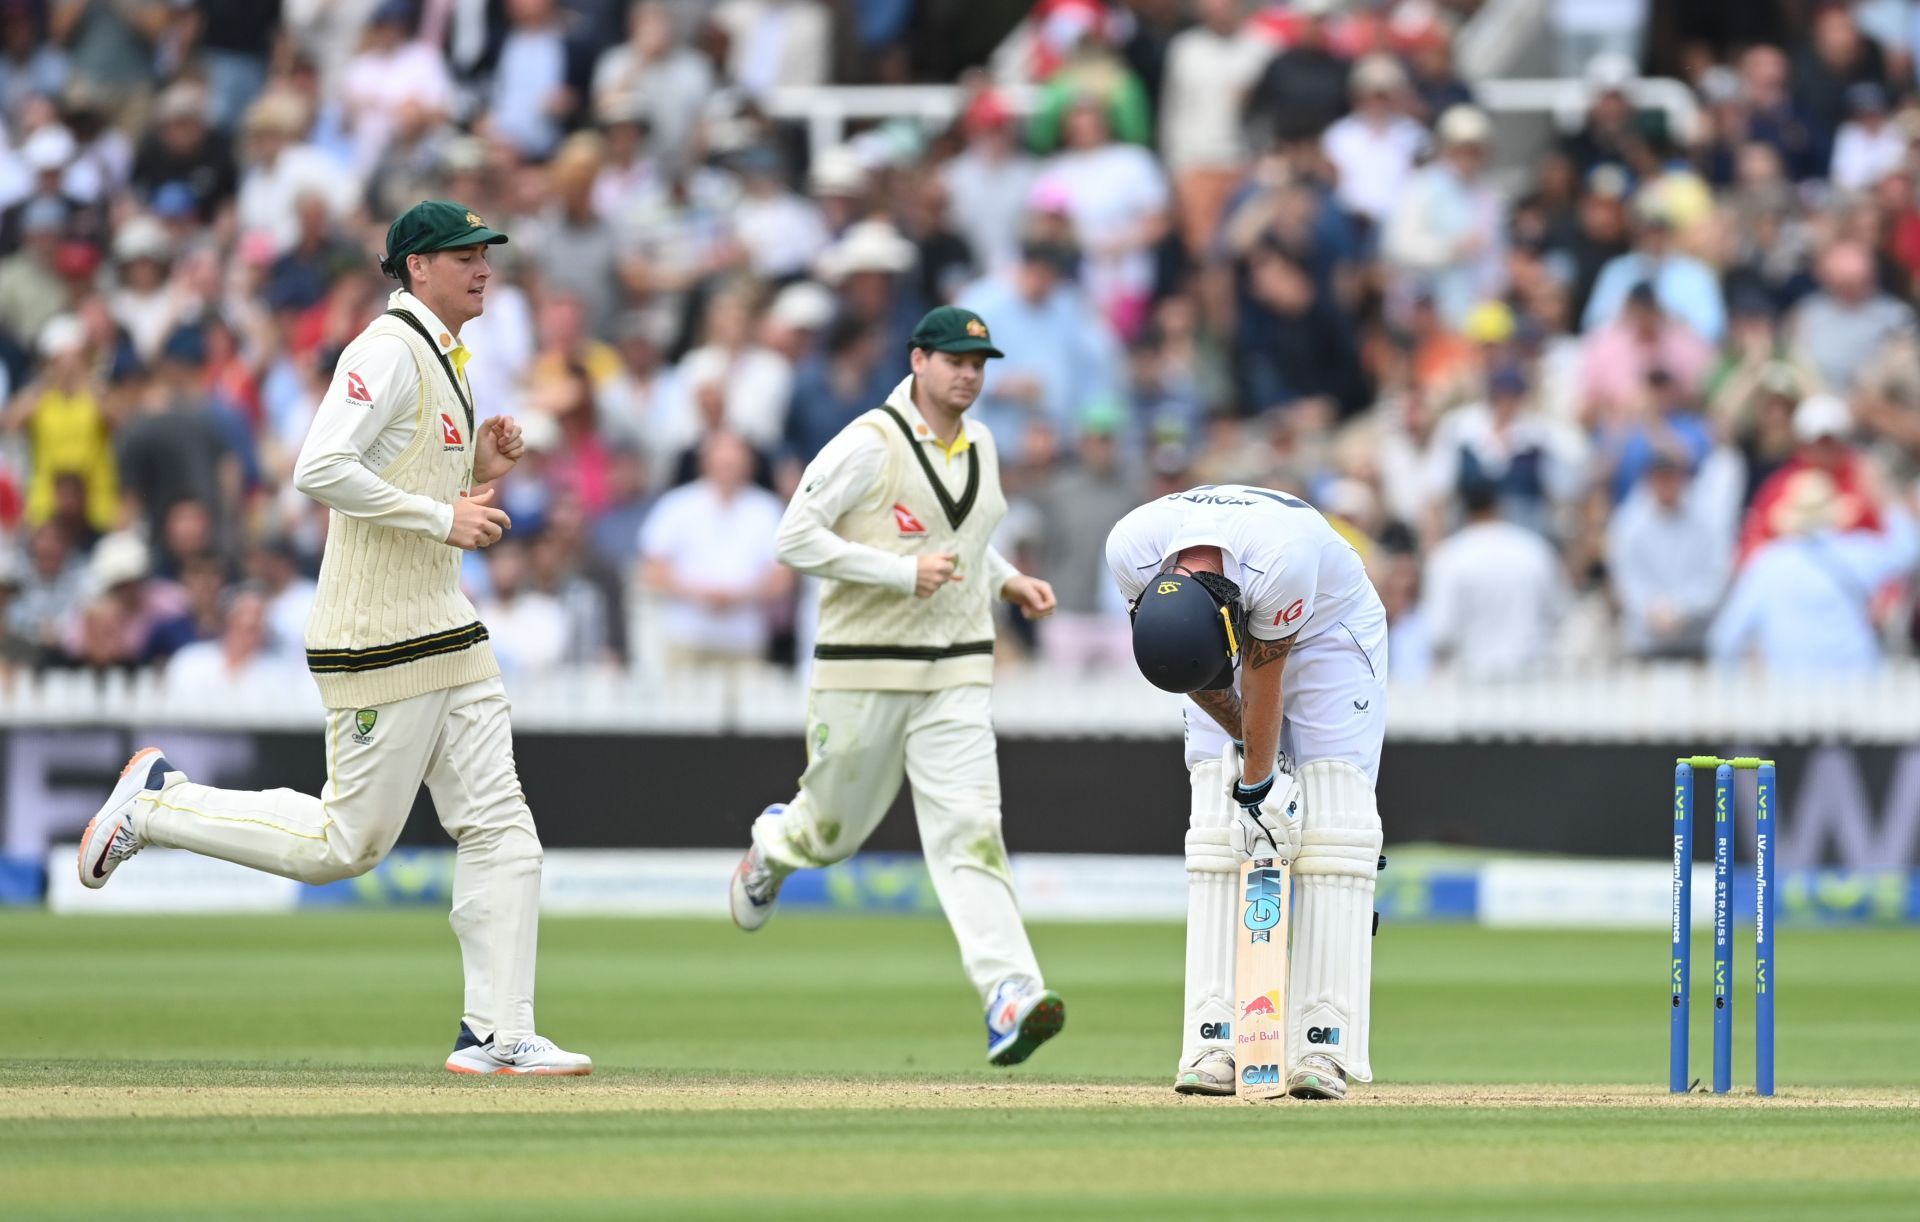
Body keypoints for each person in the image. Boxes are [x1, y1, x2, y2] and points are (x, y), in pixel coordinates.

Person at [73, 200, 590, 1077]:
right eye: (463, 254)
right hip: (377, 633)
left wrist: (478, 470)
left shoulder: (446, 357)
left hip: (447, 626)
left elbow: (400, 469)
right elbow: (319, 467)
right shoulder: (386, 349)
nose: (482, 267)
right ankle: (156, 803)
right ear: (415, 268)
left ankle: (498, 1034)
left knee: (505, 827)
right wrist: (443, 512)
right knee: (344, 846)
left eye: (485, 253)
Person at [727, 306, 1067, 1068]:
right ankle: (774, 845)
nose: (968, 375)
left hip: (957, 670)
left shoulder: (981, 443)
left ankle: (1009, 994)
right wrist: (898, 573)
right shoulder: (867, 444)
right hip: (864, 665)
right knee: (830, 835)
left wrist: (1008, 583)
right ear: (917, 360)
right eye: (953, 361)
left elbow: (966, 546)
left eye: (979, 365)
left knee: (971, 832)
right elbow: (794, 537)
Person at [1105, 482, 1388, 1100]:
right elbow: (1188, 672)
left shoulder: (1278, 563)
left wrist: (1264, 786)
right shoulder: (1129, 548)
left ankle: (1323, 1047)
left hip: (1331, 631)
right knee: (1215, 811)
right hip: (1236, 628)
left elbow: (1263, 674)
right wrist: (1252, 783)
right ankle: (1214, 1040)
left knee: (1332, 817)